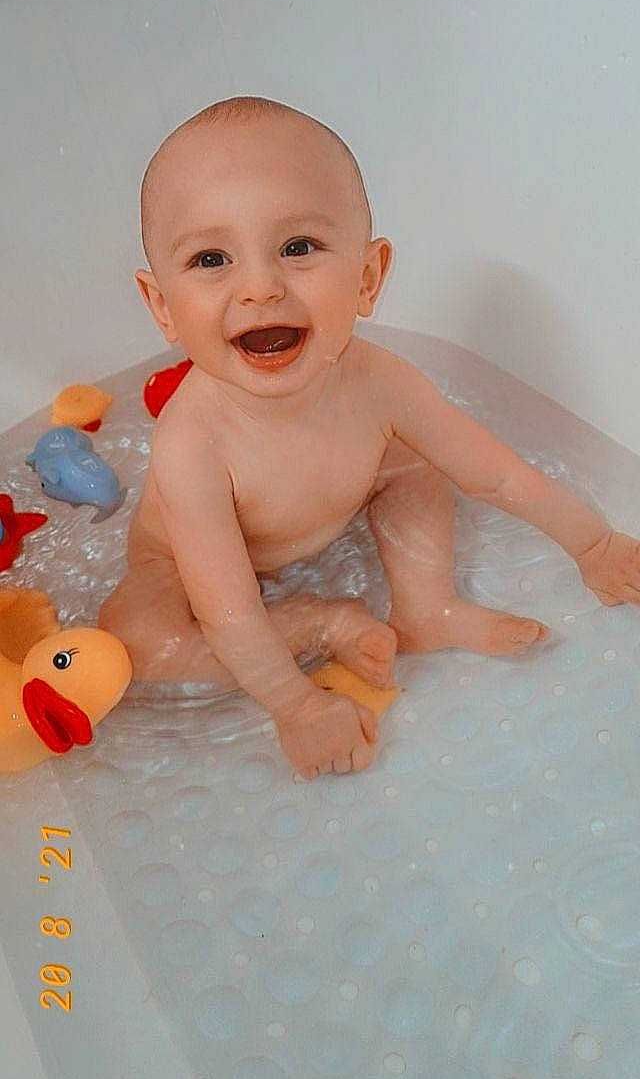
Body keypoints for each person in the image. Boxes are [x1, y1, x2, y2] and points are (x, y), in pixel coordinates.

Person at [99, 96, 640, 780]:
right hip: (184, 571)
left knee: (411, 465)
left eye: (298, 248)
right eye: (211, 258)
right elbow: (229, 610)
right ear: (161, 307)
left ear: (367, 277)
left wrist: (594, 544)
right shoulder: (193, 441)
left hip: (330, 512)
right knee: (136, 639)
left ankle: (427, 605)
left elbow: (495, 474)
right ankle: (320, 623)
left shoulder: (381, 382)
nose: (260, 287)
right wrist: (297, 706)